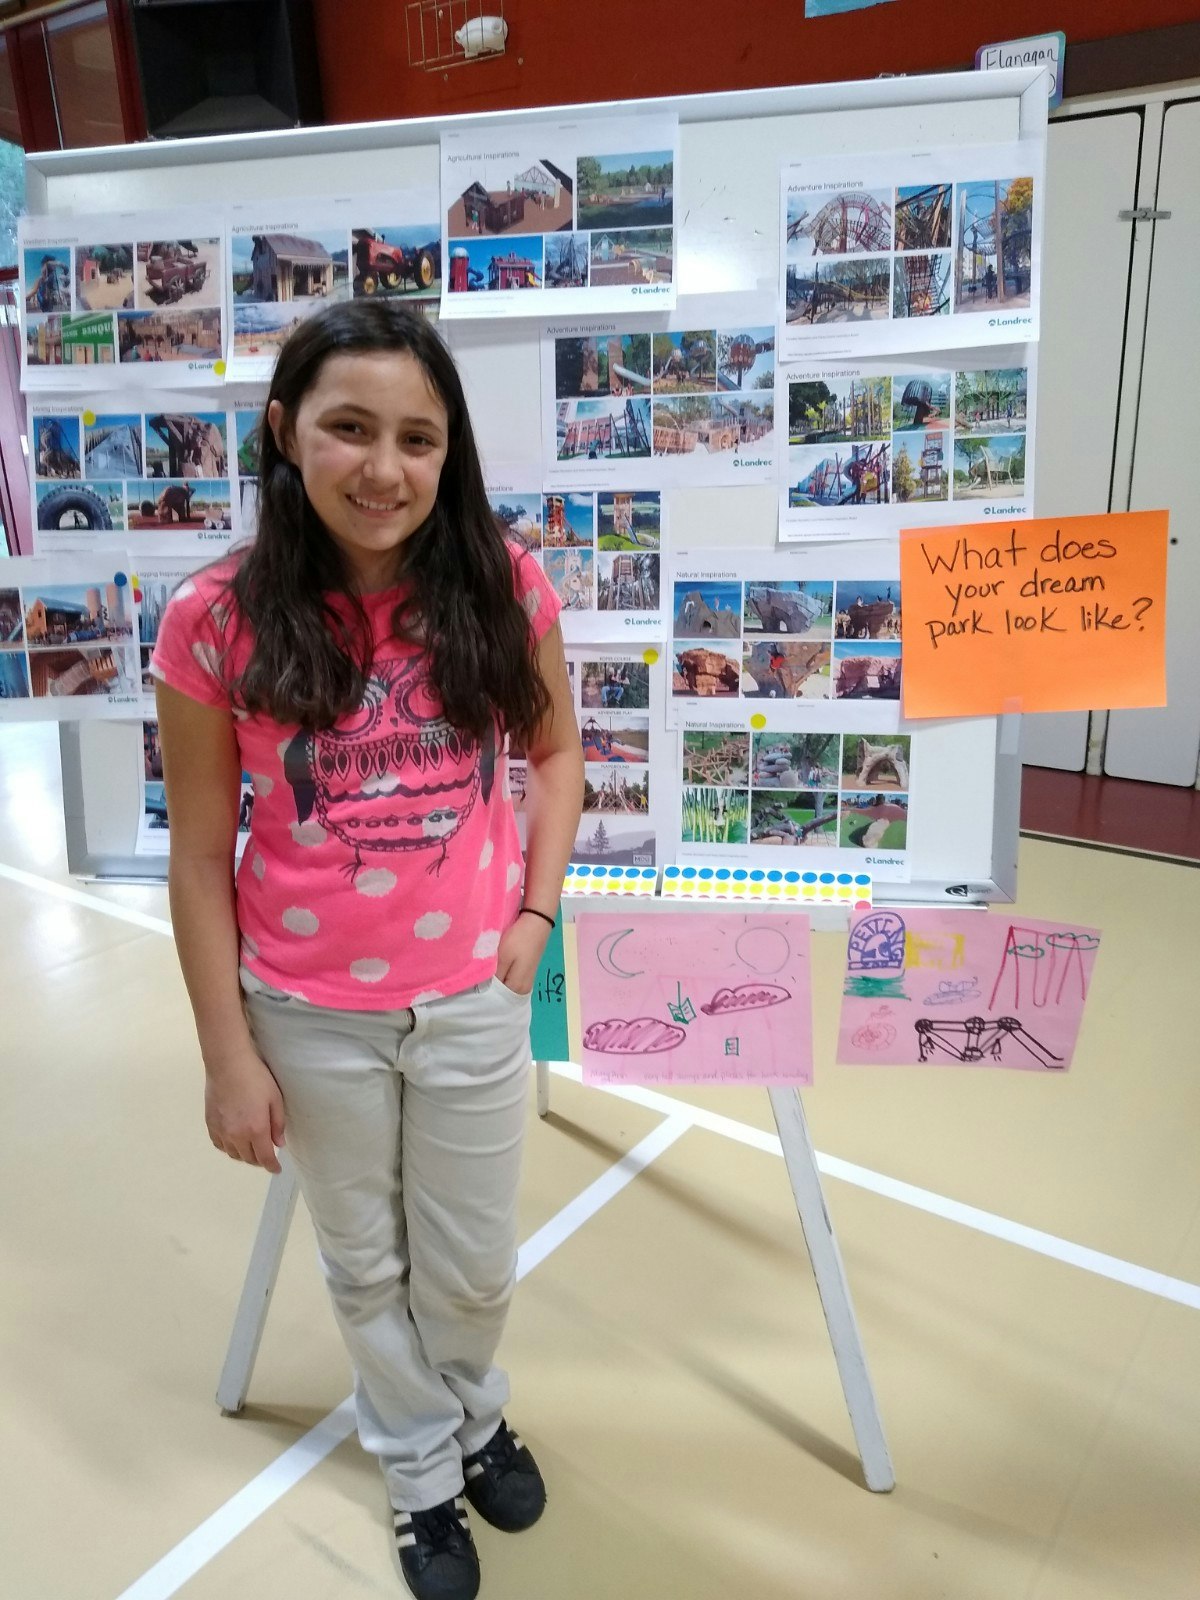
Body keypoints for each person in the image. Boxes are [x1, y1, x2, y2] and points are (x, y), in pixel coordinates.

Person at [151, 300, 584, 1600]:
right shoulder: (213, 620)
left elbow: (557, 753)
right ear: (286, 431)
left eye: (417, 437)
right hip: (307, 1011)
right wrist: (228, 1057)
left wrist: (535, 920)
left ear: (450, 452)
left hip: (470, 996)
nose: (384, 470)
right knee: (365, 1260)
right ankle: (421, 1469)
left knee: (470, 1259)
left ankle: (467, 1409)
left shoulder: (501, 584)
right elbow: (195, 854)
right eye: (349, 429)